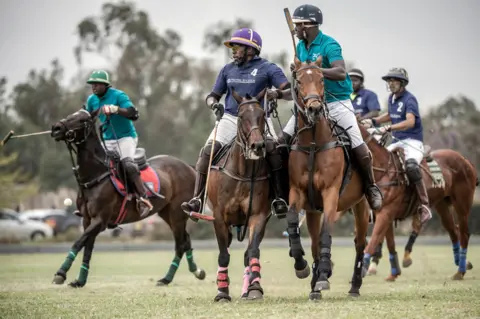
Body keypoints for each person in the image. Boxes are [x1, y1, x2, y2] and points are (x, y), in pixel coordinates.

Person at [277, 4, 383, 211]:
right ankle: (281, 193)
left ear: (308, 26)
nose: (296, 30)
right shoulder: (300, 47)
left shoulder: (329, 45)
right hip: (309, 104)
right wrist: (280, 94)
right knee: (281, 143)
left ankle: (371, 187)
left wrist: (315, 69)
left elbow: (341, 72)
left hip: (337, 102)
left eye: (298, 26)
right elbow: (303, 82)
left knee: (358, 145)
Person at [180, 28, 292, 220]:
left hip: (258, 121)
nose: (233, 50)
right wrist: (214, 105)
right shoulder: (227, 69)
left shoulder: (269, 68)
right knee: (207, 151)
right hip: (231, 118)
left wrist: (277, 94)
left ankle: (279, 199)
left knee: (274, 150)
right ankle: (197, 198)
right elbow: (212, 96)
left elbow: (290, 92)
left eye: (237, 46)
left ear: (251, 49)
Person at [361, 68, 432, 224]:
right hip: (396, 141)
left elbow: (410, 121)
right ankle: (376, 201)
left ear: (403, 83)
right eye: (389, 81)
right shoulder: (392, 98)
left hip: (412, 141)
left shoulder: (410, 99)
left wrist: (388, 127)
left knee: (412, 166)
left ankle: (424, 205)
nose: (391, 83)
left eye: (394, 80)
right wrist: (374, 121)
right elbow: (390, 115)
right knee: (375, 161)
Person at [84, 70, 153, 217]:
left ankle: (143, 199)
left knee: (127, 164)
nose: (94, 87)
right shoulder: (92, 100)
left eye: (96, 84)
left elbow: (133, 113)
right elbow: (87, 119)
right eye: (92, 84)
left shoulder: (118, 95)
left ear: (105, 85)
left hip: (126, 137)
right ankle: (89, 201)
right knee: (93, 166)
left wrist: (116, 109)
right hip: (106, 140)